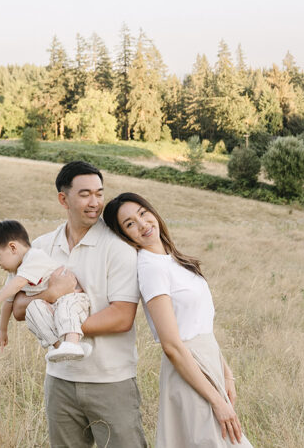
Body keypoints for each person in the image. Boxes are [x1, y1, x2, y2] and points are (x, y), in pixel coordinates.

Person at [12, 161, 146, 448]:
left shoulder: (119, 249)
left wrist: (61, 324)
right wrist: (51, 294)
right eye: (85, 194)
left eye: (99, 193)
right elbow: (18, 310)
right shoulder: (40, 247)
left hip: (111, 380)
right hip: (59, 380)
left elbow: (122, 318)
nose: (95, 202)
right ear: (64, 199)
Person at [103, 192, 252, 447]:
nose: (142, 224)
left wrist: (226, 373)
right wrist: (216, 401)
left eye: (142, 213)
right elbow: (172, 345)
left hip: (208, 362)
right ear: (124, 235)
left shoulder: (171, 259)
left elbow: (200, 325)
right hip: (189, 371)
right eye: (129, 224)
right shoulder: (151, 268)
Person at [0, 219, 93, 363]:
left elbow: (18, 284)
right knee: (33, 310)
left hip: (73, 298)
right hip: (53, 307)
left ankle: (72, 343)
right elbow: (8, 303)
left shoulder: (34, 257)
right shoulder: (14, 274)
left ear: (13, 247)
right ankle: (60, 347)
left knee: (66, 306)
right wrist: (2, 330)